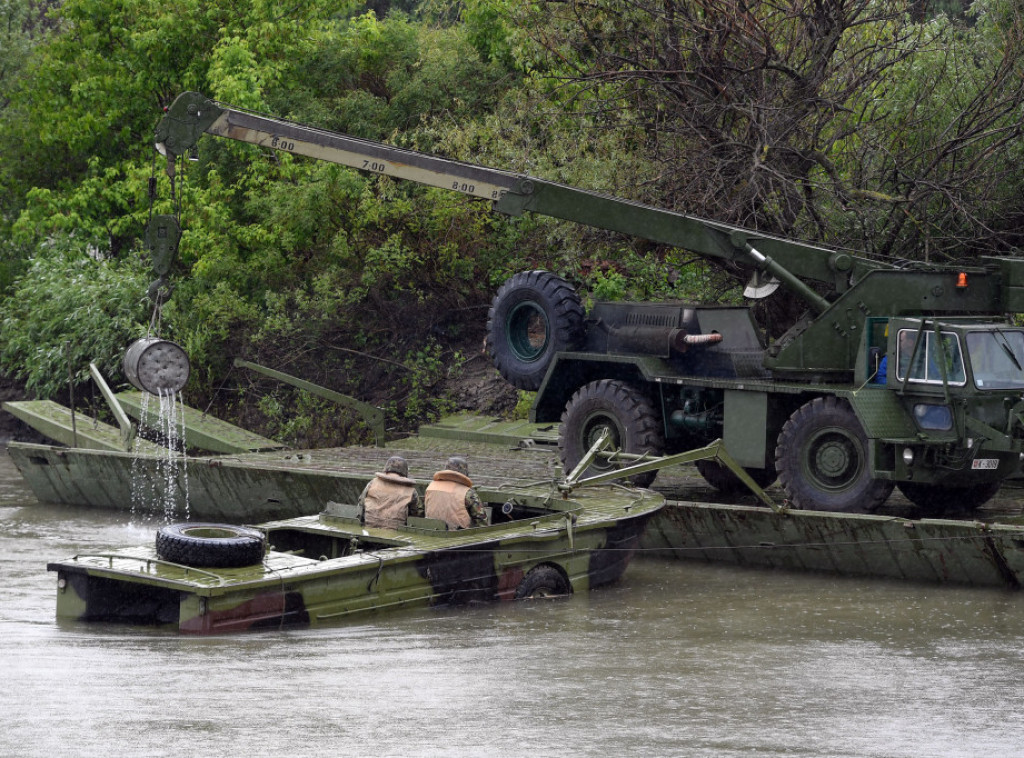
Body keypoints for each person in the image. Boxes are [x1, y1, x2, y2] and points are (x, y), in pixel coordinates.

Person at [358, 455, 422, 529]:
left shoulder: (372, 483)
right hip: (395, 532)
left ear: (386, 468)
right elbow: (415, 514)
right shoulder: (411, 490)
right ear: (405, 471)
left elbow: (361, 503)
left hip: (369, 528)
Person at [424, 455, 487, 530]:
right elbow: (481, 521)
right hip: (458, 536)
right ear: (465, 472)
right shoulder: (468, 492)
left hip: (431, 530)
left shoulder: (431, 487)